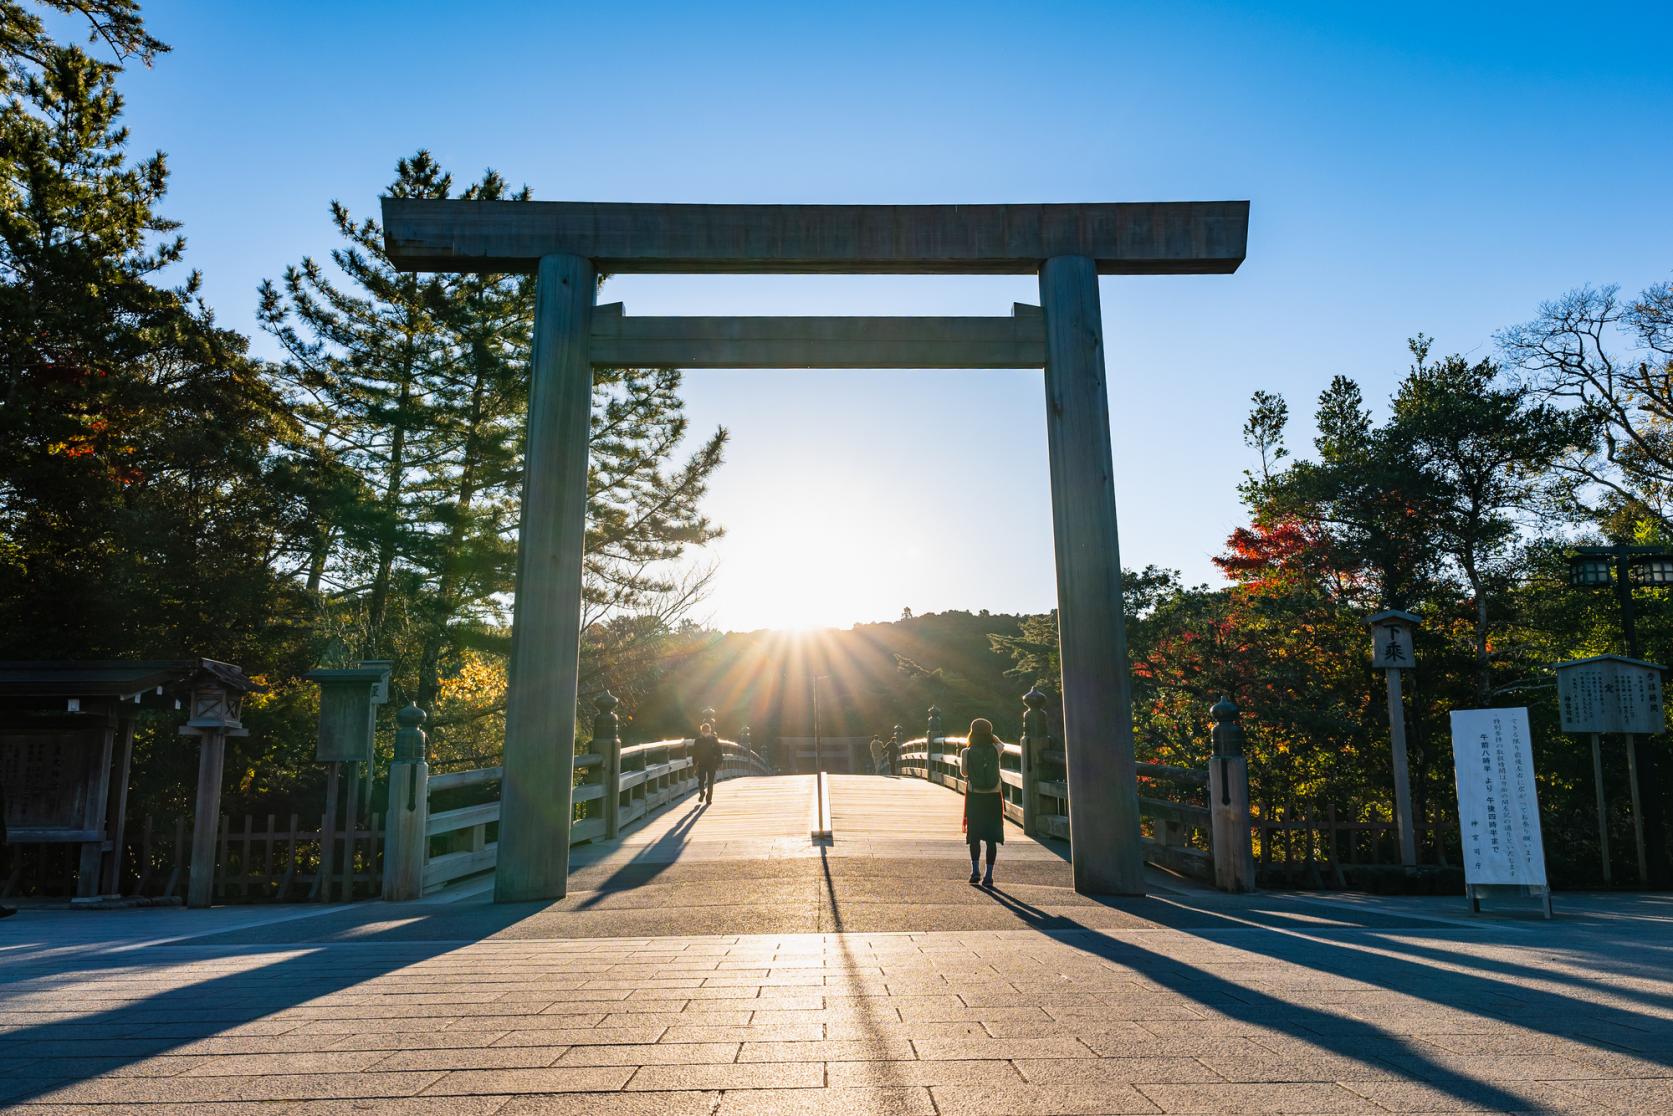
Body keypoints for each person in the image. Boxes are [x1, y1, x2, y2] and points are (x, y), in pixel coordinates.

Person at [959, 718, 1004, 888]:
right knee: (991, 838)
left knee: (975, 836)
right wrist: (991, 736)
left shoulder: (966, 752)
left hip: (975, 796)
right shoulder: (996, 748)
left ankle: (975, 872)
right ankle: (989, 876)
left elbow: (964, 773)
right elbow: (1002, 744)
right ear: (989, 732)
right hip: (993, 797)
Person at [693, 722, 722, 804]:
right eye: (704, 732)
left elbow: (719, 751)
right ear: (701, 732)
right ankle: (702, 793)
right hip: (702, 763)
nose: (706, 734)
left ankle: (709, 798)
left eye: (707, 732)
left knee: (710, 781)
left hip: (712, 763)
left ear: (710, 731)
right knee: (701, 780)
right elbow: (695, 753)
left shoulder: (714, 739)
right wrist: (694, 763)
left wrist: (719, 762)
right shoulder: (698, 741)